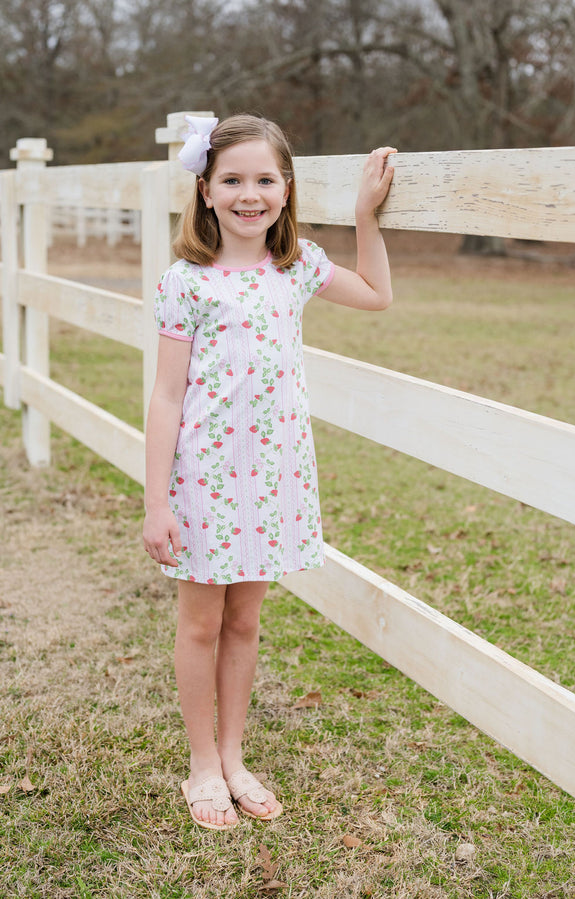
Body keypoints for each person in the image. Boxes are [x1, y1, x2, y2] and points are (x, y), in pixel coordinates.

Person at [143, 113, 396, 830]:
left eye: (264, 179)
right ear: (206, 190)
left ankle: (233, 757)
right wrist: (155, 501)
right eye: (232, 180)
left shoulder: (300, 267)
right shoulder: (186, 283)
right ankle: (200, 766)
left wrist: (363, 218)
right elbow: (165, 397)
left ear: (286, 188)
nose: (248, 194)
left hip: (275, 476)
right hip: (203, 479)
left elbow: (377, 294)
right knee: (201, 624)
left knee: (246, 621)